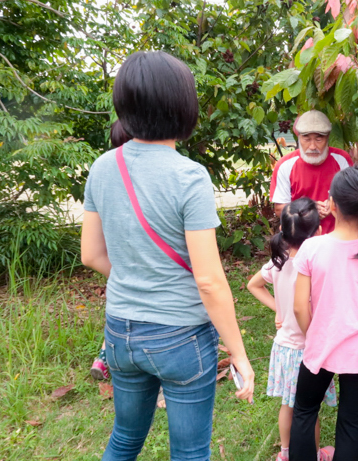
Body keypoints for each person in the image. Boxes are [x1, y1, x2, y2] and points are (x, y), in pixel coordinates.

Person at [81, 51, 254, 460]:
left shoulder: (102, 167)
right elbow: (209, 281)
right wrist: (240, 354)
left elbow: (91, 254)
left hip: (120, 333)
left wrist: (137, 276)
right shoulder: (189, 176)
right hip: (180, 337)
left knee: (124, 438)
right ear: (183, 107)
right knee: (190, 453)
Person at [289, 165, 358, 461]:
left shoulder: (311, 248)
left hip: (319, 346)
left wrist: (315, 332)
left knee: (305, 412)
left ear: (332, 204)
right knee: (350, 421)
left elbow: (300, 306)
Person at [247, 197, 337, 461]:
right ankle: (315, 454)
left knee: (288, 405)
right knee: (308, 411)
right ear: (319, 233)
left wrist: (279, 308)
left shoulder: (279, 261)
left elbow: (253, 285)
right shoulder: (316, 267)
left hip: (284, 347)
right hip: (307, 350)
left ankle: (285, 453)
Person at [90, 120, 131, 381]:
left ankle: (103, 358)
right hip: (151, 262)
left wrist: (119, 275)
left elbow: (90, 254)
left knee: (121, 312)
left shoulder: (103, 171)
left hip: (116, 258)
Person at [270, 110, 353, 234]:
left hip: (336, 237)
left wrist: (335, 203)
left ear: (328, 137)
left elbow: (353, 197)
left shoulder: (342, 160)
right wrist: (307, 208)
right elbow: (279, 209)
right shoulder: (285, 165)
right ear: (299, 138)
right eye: (306, 139)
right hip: (299, 239)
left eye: (319, 140)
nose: (312, 146)